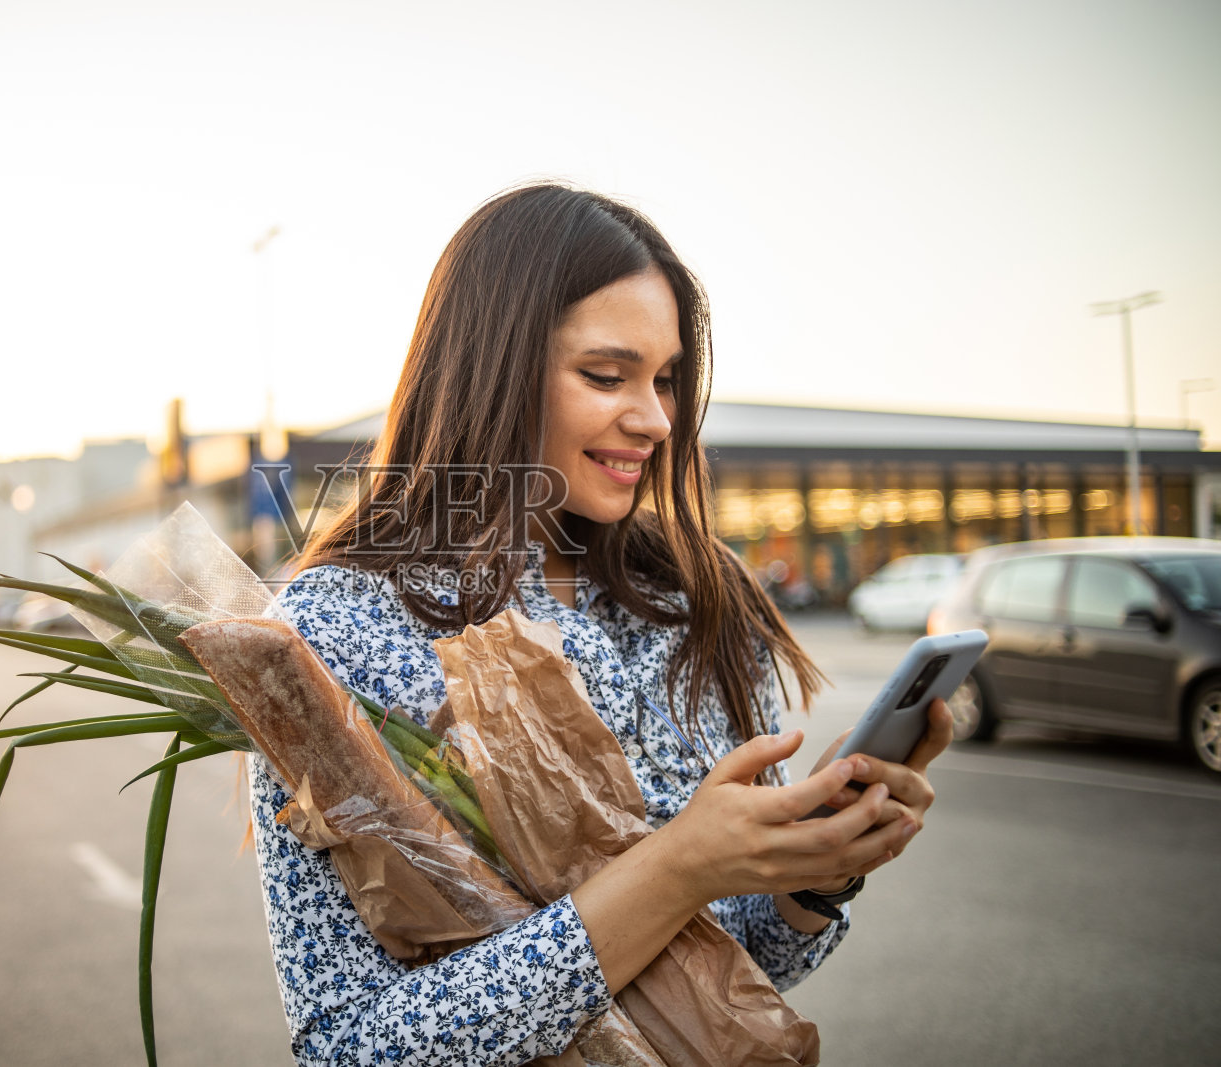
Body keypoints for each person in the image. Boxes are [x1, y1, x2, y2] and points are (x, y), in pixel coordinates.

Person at [248, 183, 949, 1066]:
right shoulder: (333, 627)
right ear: (492, 368)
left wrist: (814, 870)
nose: (656, 418)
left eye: (664, 380)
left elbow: (725, 967)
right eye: (606, 376)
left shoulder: (688, 598)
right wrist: (676, 867)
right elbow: (347, 1046)